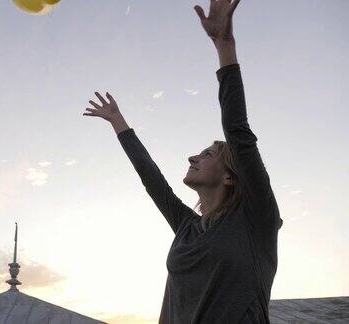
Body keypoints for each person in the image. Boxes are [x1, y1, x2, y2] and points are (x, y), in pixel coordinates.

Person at [83, 1, 283, 323]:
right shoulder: (187, 228)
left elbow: (237, 131)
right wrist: (119, 122)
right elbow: (153, 181)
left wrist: (224, 46)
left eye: (207, 154)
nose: (193, 156)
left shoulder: (255, 219)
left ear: (232, 176)